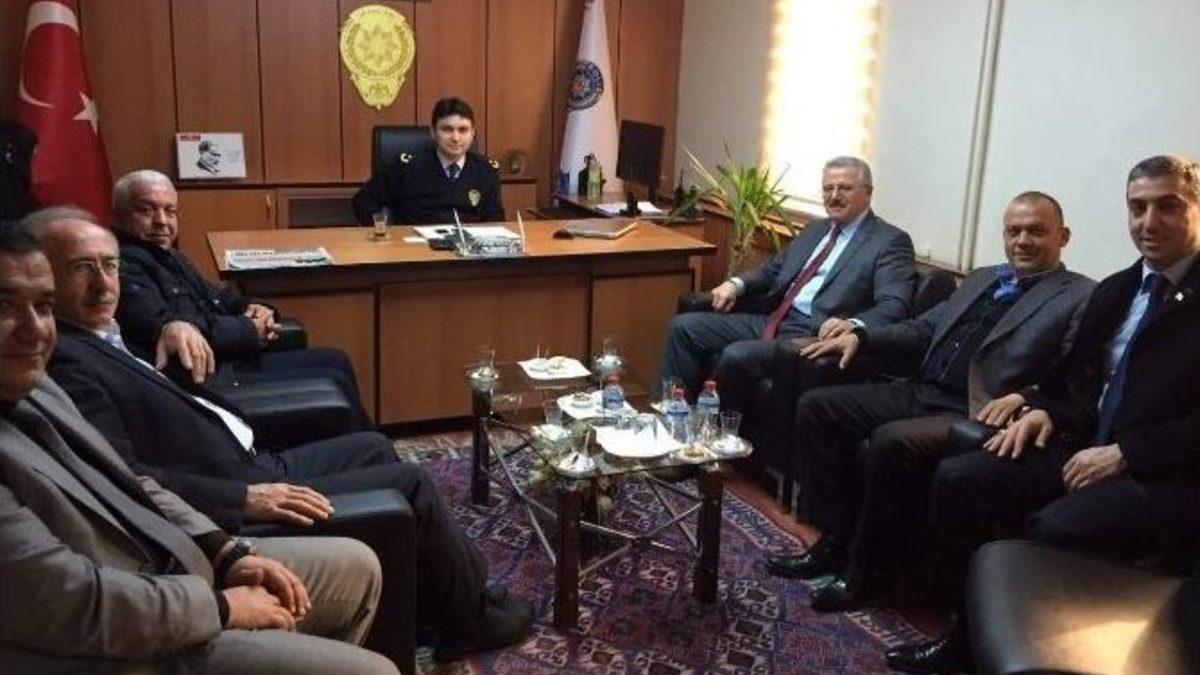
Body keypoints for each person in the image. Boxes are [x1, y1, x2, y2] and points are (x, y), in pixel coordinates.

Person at [29, 207, 534, 662]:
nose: (104, 283)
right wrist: (242, 499)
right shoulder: (66, 361)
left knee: (375, 446)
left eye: (110, 266)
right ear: (44, 278)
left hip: (246, 456)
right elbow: (125, 481)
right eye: (82, 268)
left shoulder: (101, 332)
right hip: (239, 487)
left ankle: (435, 600)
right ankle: (468, 619)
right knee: (413, 483)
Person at [0, 221, 399, 674]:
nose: (33, 331)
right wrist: (223, 606)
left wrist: (224, 552)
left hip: (177, 560)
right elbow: (78, 606)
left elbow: (131, 482)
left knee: (360, 566)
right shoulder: (59, 368)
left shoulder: (38, 389)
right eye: (5, 306)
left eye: (42, 306)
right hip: (121, 644)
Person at [886, 155, 1200, 674]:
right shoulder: (1117, 290)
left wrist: (1126, 453)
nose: (1149, 222)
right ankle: (963, 637)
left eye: (1168, 206)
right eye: (1137, 207)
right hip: (1085, 447)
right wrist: (1043, 409)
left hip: (1163, 476)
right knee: (961, 478)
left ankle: (1041, 656)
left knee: (1053, 526)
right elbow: (1076, 380)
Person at [763, 192, 1094, 613]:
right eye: (1014, 231)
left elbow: (1075, 368)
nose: (1022, 241)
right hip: (920, 390)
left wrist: (1030, 398)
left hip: (975, 410)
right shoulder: (982, 278)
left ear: (1063, 236)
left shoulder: (1079, 295)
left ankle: (866, 576)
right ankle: (833, 543)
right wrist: (861, 335)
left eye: (1036, 231)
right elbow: (922, 328)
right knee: (819, 407)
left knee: (892, 441)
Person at [109, 169, 372, 429]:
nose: (162, 221)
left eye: (170, 211)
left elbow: (217, 297)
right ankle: (368, 446)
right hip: (212, 382)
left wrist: (255, 308)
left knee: (337, 361)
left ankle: (368, 446)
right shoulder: (123, 268)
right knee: (334, 377)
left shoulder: (167, 256)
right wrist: (250, 329)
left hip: (230, 360)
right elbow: (185, 335)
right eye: (146, 210)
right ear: (119, 215)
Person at [655, 156, 916, 411]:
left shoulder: (889, 241)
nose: (834, 196)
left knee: (736, 355)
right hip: (774, 318)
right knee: (684, 327)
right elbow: (773, 270)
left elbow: (894, 305)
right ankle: (669, 417)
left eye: (845, 188)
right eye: (828, 188)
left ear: (868, 193)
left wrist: (853, 325)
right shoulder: (816, 229)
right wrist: (735, 284)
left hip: (811, 333)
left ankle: (705, 432)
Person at [352, 96, 505, 225]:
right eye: (447, 129)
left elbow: (496, 220)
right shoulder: (408, 168)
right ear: (433, 132)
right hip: (417, 248)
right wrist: (385, 234)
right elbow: (363, 201)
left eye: (463, 130)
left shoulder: (485, 170)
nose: (455, 138)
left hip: (468, 248)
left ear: (472, 134)